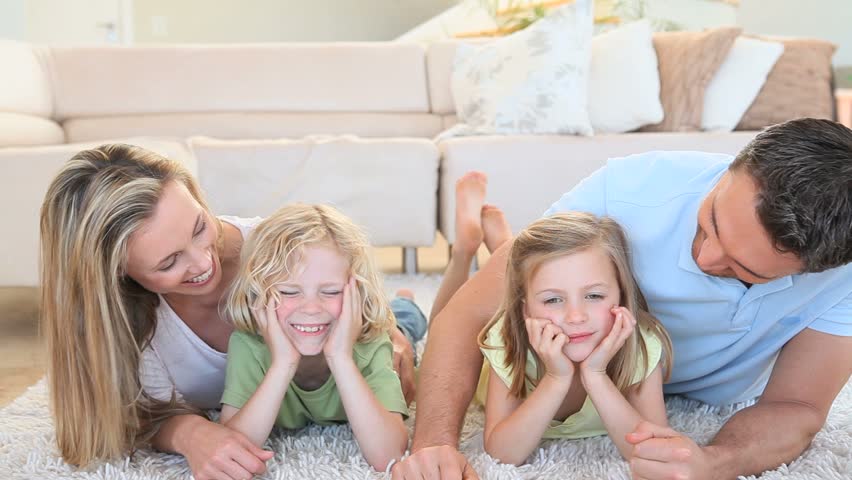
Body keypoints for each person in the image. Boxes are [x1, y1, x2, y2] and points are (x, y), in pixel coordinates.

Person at [393, 118, 852, 480]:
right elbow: (466, 315)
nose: (704, 256)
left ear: (815, 268)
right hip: (584, 365)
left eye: (742, 270)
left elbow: (797, 407)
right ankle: (493, 245)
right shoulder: (629, 189)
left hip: (680, 384)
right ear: (734, 165)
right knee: (519, 276)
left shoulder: (842, 276)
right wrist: (433, 443)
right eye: (709, 219)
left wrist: (715, 463)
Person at [39, 144, 419, 480]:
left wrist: (391, 338)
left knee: (405, 318)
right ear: (119, 274)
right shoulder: (126, 328)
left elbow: (361, 311)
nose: (204, 261)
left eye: (200, 226)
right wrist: (188, 432)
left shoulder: (276, 254)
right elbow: (117, 416)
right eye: (169, 261)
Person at [219, 204, 421, 471]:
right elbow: (235, 446)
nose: (311, 308)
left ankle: (405, 301)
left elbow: (388, 455)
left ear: (356, 294)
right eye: (290, 292)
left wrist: (341, 358)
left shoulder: (371, 343)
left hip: (375, 327)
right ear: (258, 294)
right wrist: (282, 364)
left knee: (406, 321)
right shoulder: (248, 345)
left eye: (331, 291)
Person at [476, 212, 672, 465]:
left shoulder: (641, 345)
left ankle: (503, 247)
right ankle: (494, 247)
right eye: (553, 300)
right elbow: (502, 455)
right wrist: (556, 378)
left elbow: (655, 452)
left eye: (594, 296)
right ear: (526, 309)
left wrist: (596, 376)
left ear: (621, 296)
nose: (576, 317)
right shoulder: (506, 340)